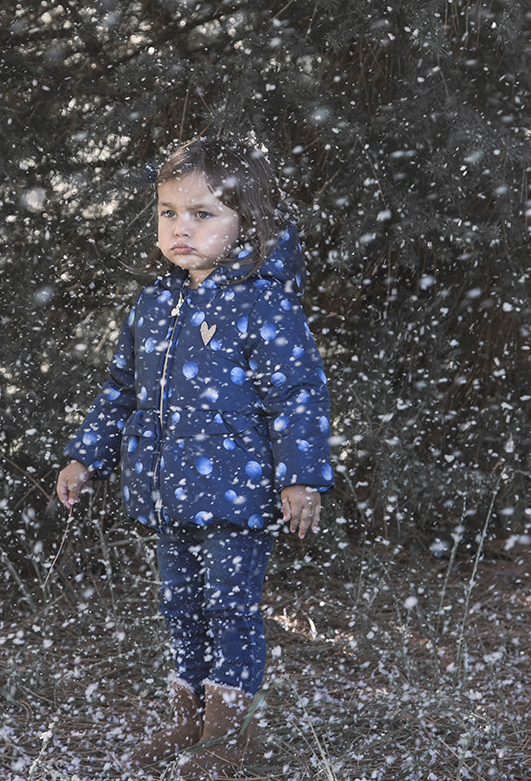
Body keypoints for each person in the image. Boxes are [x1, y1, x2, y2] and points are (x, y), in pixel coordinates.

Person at [56, 136, 333, 779]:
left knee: (230, 609)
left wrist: (299, 478)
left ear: (247, 224)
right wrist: (84, 457)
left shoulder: (264, 304)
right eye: (168, 213)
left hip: (236, 496)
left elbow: (299, 396)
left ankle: (227, 733)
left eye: (203, 213)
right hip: (167, 494)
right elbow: (122, 390)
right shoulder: (155, 307)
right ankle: (186, 716)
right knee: (180, 606)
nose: (181, 228)